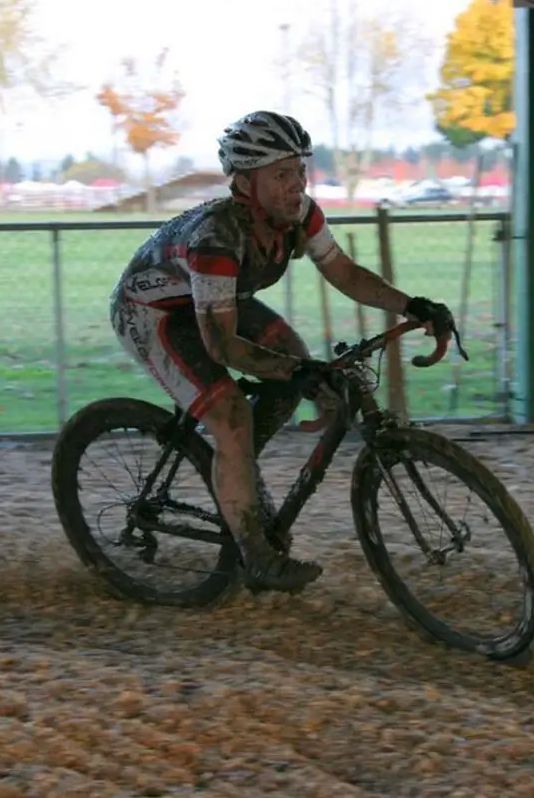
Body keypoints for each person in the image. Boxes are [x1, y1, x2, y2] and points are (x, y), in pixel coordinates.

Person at [109, 110, 455, 594]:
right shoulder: (217, 237)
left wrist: (412, 306)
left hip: (211, 301)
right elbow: (221, 345)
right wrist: (297, 374)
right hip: (155, 315)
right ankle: (256, 557)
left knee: (293, 356)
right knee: (232, 413)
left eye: (301, 172)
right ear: (246, 184)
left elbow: (346, 274)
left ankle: (237, 473)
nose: (297, 185)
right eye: (281, 175)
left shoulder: (300, 215)